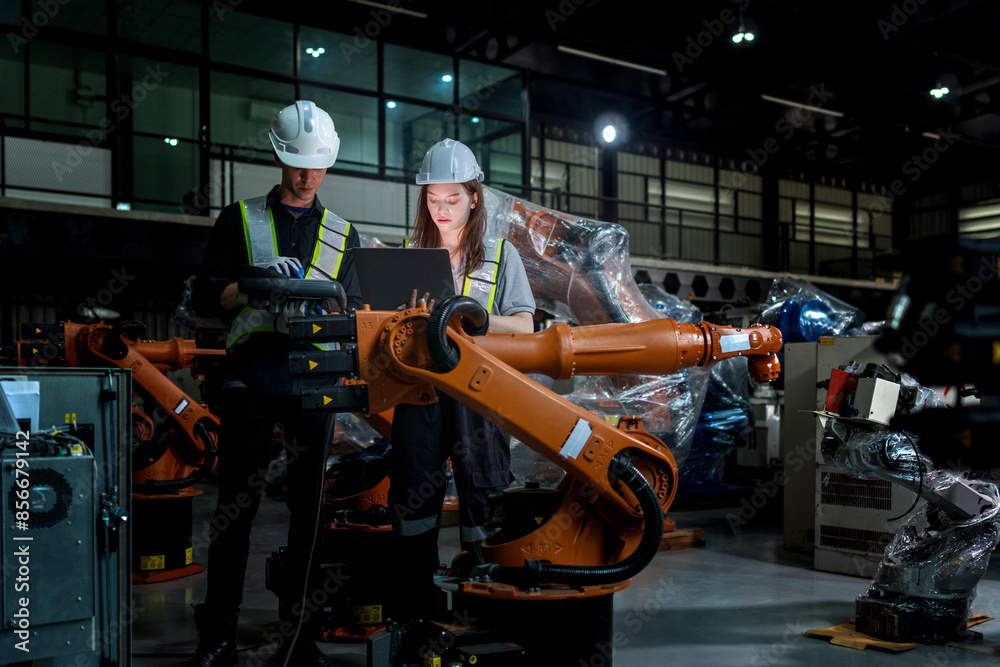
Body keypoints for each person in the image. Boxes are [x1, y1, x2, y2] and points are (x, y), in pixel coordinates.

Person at [188, 100, 363, 667]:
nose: (306, 175)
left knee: (310, 514)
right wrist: (252, 282)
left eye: (316, 165)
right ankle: (217, 636)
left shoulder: (344, 233)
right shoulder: (237, 220)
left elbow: (355, 308)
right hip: (251, 377)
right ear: (277, 156)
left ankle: (299, 633)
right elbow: (205, 296)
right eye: (296, 163)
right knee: (235, 510)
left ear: (328, 164)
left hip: (313, 382)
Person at [389, 138, 536, 619]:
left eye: (452, 199)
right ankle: (415, 604)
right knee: (414, 493)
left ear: (475, 196)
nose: (442, 210)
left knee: (484, 491)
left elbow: (525, 325)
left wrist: (472, 317)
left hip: (479, 394)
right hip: (421, 393)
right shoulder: (409, 255)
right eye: (433, 200)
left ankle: (482, 599)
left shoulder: (499, 255)